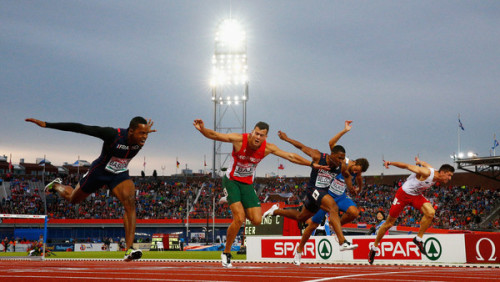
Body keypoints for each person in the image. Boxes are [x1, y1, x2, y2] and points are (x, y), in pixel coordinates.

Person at [193, 119, 329, 268]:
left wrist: (311, 164)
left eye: (262, 135)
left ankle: (232, 199)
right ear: (252, 132)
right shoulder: (239, 140)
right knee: (239, 218)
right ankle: (226, 253)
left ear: (265, 137)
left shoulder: (268, 148)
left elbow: (290, 156)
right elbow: (215, 135)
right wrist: (202, 130)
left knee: (257, 220)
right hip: (231, 181)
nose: (258, 137)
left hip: (246, 184)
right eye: (256, 133)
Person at [25, 116, 156, 262]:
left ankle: (129, 249)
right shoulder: (112, 135)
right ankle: (56, 185)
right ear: (131, 131)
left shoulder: (139, 139)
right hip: (99, 173)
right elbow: (81, 128)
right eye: (141, 133)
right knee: (73, 199)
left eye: (146, 134)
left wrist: (144, 131)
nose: (144, 137)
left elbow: (140, 136)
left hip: (119, 174)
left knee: (130, 203)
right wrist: (47, 124)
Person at [263, 121, 363, 264]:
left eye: (343, 158)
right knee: (333, 207)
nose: (341, 161)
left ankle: (276, 211)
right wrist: (286, 139)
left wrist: (352, 188)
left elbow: (347, 176)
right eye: (339, 158)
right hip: (313, 190)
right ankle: (342, 242)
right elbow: (302, 147)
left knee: (301, 217)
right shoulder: (318, 156)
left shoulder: (340, 166)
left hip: (322, 193)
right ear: (332, 154)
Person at [368, 157, 455, 264]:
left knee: (431, 212)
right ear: (442, 172)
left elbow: (424, 162)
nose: (450, 178)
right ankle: (374, 247)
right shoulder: (426, 172)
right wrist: (390, 162)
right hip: (403, 195)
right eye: (449, 175)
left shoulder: (433, 172)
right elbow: (406, 166)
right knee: (388, 224)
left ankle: (418, 239)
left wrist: (419, 161)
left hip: (416, 196)